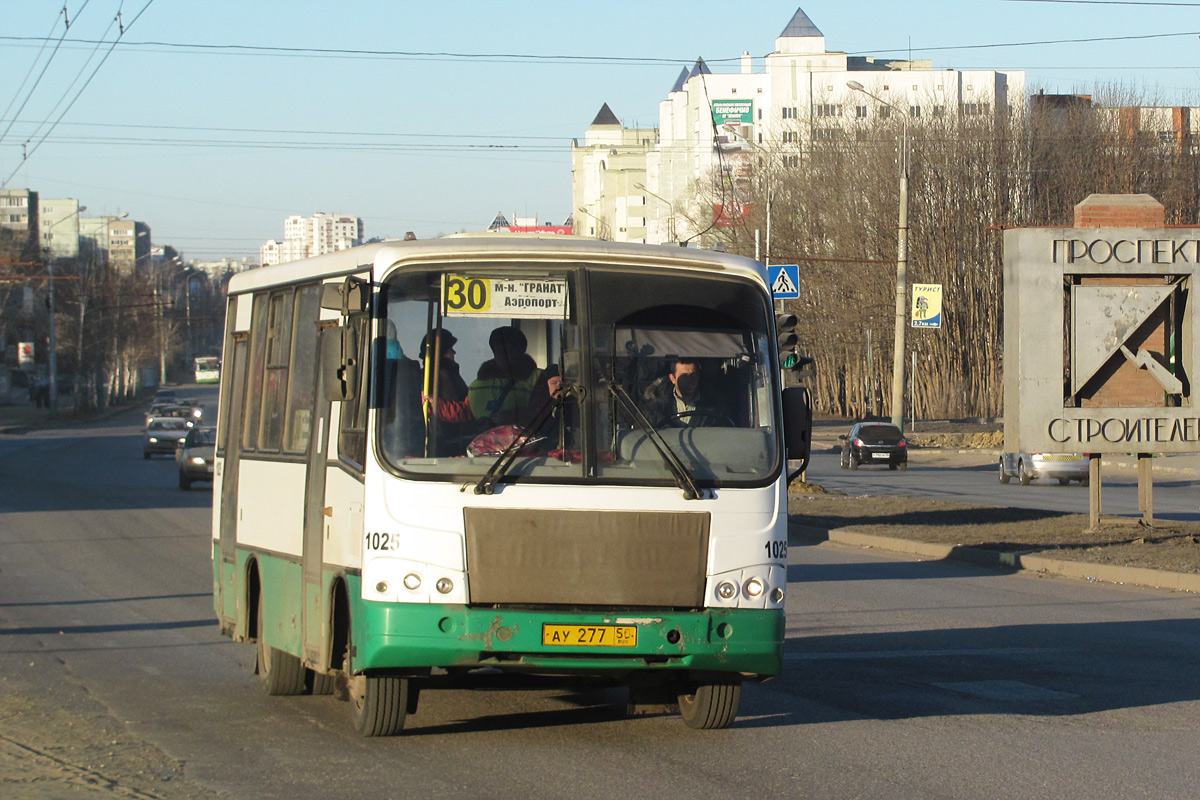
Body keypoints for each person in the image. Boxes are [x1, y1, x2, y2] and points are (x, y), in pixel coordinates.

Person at [468, 325, 540, 425]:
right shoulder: (537, 377)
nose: (502, 353)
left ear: (519, 351)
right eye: (498, 348)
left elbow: (545, 413)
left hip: (521, 439)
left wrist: (513, 417)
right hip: (487, 439)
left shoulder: (476, 384)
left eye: (508, 349)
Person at [640, 358, 720, 427]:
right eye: (684, 376)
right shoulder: (653, 407)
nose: (691, 380)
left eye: (694, 374)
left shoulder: (714, 406)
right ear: (672, 379)